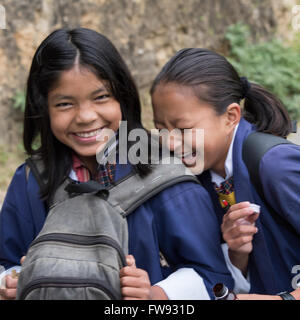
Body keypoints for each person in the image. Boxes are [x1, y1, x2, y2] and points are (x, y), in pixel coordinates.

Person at [0, 29, 235, 300]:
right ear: (44, 107)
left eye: (101, 97)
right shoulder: (31, 180)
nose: (86, 116)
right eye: (65, 104)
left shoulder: (166, 176)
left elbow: (214, 280)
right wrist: (10, 283)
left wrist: (156, 294)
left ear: (123, 97)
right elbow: (7, 261)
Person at [150, 48, 300, 300]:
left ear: (231, 117)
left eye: (183, 128)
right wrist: (237, 253)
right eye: (160, 129)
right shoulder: (203, 178)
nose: (171, 143)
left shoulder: (275, 165)